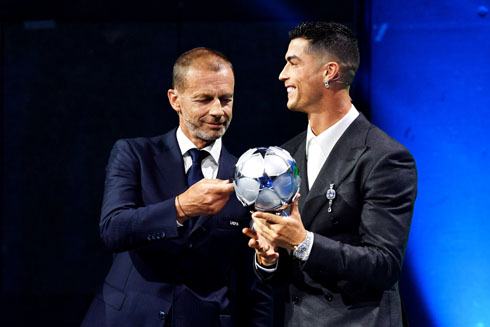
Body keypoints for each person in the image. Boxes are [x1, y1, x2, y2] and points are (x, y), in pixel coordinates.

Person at [243, 22, 418, 326]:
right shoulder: (285, 156)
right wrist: (269, 257)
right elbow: (288, 272)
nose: (282, 74)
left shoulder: (384, 157)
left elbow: (384, 264)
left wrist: (303, 242)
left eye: (292, 63)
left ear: (329, 72)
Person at [82, 47, 272, 327]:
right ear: (176, 100)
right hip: (126, 318)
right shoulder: (135, 154)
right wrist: (180, 208)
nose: (218, 111)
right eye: (204, 99)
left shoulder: (248, 176)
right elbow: (113, 229)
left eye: (226, 99)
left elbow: (254, 287)